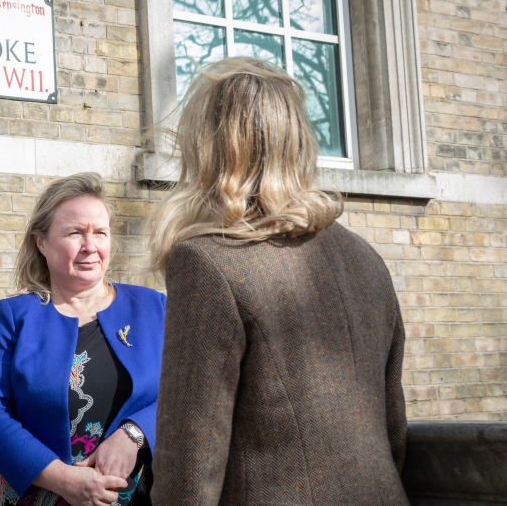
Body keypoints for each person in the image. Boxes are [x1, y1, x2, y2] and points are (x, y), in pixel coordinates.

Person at [147, 58, 409, 505]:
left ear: (210, 146)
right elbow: (393, 428)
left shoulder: (207, 264)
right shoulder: (365, 259)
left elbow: (189, 466)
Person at [0, 173, 165, 506]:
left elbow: (193, 390)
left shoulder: (153, 308)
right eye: (75, 233)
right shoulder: (14, 316)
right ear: (41, 242)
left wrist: (134, 434)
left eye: (100, 233)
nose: (90, 246)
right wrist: (64, 479)